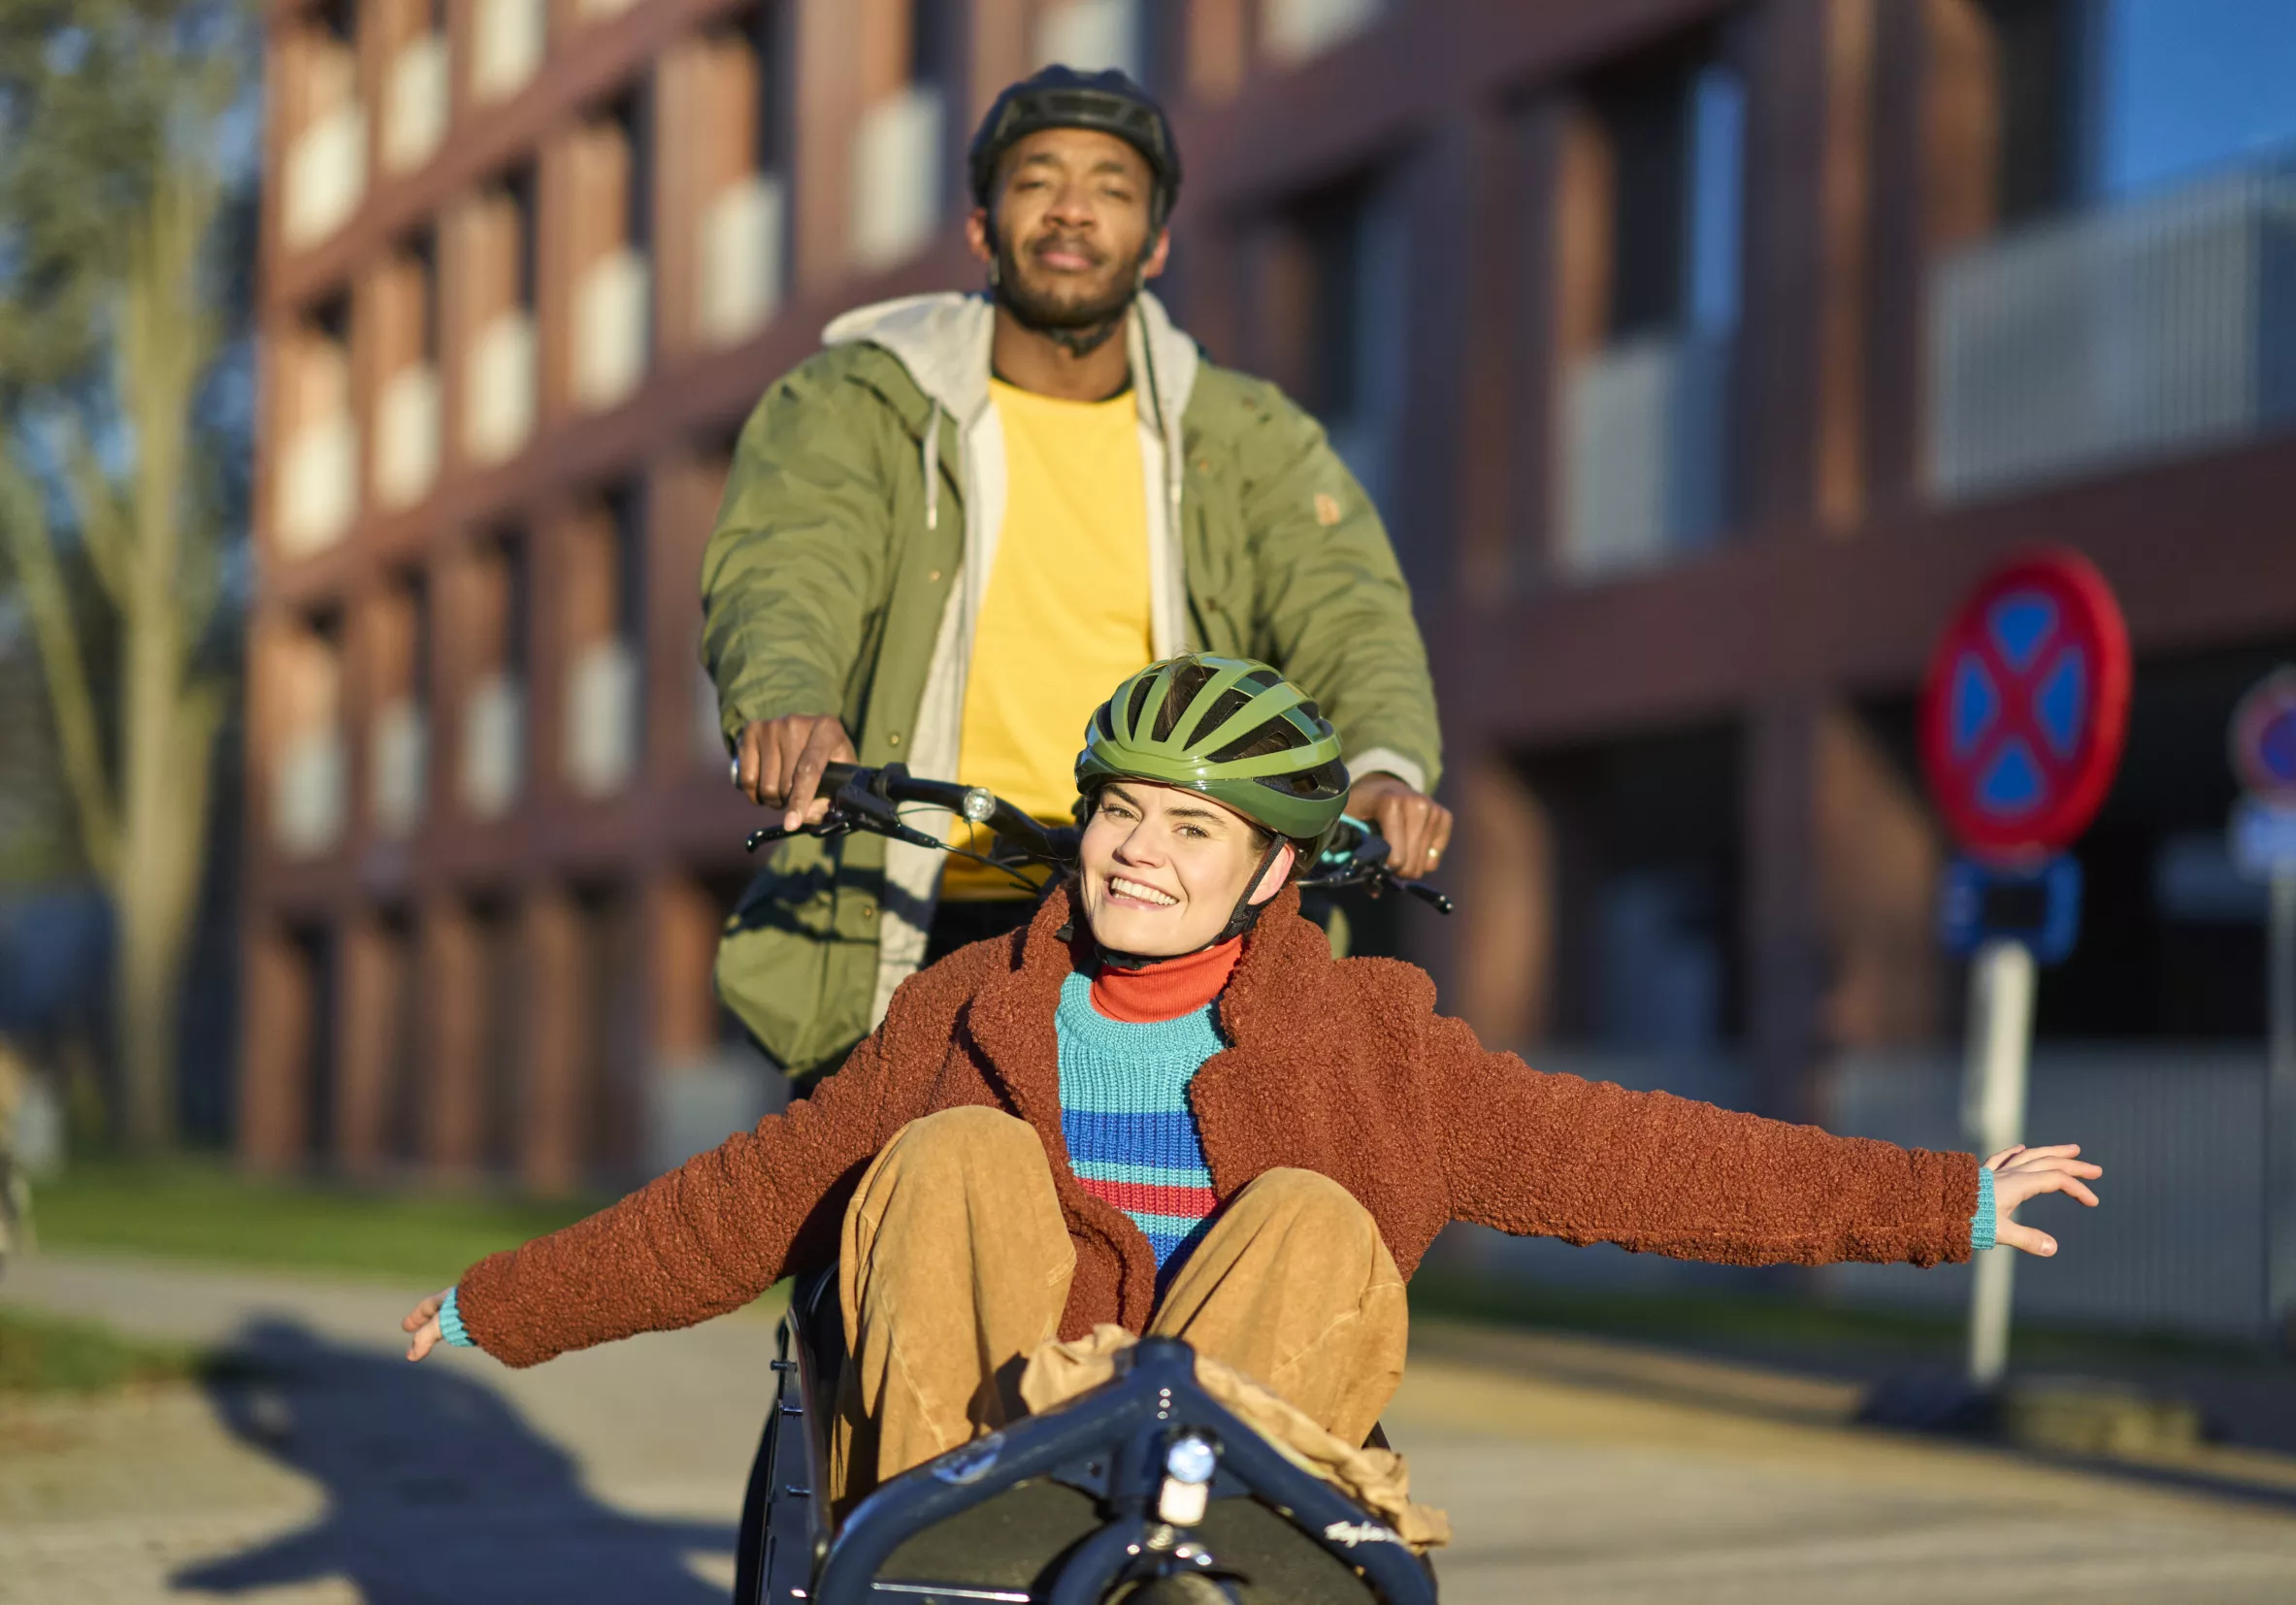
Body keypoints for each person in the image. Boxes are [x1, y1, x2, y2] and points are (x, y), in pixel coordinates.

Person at [404, 654, 2102, 1510]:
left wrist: (1936, 1198)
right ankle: (949, 1567)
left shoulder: (1371, 1039)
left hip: (1236, 1477)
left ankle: (1196, 1564)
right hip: (975, 1457)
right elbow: (746, 1201)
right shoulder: (962, 1005)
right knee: (949, 1165)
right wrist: (502, 1304)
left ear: (1273, 872)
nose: (1138, 855)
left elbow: (1637, 1153)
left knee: (1307, 1212)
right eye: (1118, 815)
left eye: (1191, 829)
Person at [705, 65, 1448, 1086]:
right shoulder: (859, 402)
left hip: (1164, 892)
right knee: (868, 1209)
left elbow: (1346, 608)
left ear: (1154, 241)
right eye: (1036, 179)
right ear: (980, 227)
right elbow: (789, 560)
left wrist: (1382, 767)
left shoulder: (1248, 437)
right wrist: (787, 700)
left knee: (1229, 1199)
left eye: (1110, 187)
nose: (1070, 209)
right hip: (913, 889)